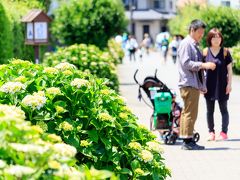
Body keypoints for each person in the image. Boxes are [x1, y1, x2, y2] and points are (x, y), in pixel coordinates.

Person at [177, 19, 216, 150]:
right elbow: (186, 63)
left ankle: (188, 139)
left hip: (191, 83)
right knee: (189, 113)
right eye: (200, 32)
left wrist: (201, 84)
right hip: (188, 83)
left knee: (189, 112)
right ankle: (187, 141)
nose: (201, 35)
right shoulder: (186, 44)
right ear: (192, 30)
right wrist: (204, 65)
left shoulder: (192, 44)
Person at [203, 28, 232, 141]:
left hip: (222, 85)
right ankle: (211, 132)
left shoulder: (225, 52)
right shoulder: (205, 52)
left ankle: (224, 132)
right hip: (208, 86)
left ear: (221, 39)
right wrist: (201, 86)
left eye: (218, 37)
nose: (216, 39)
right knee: (210, 111)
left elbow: (229, 70)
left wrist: (229, 84)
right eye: (214, 37)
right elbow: (200, 70)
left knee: (223, 109)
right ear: (209, 39)